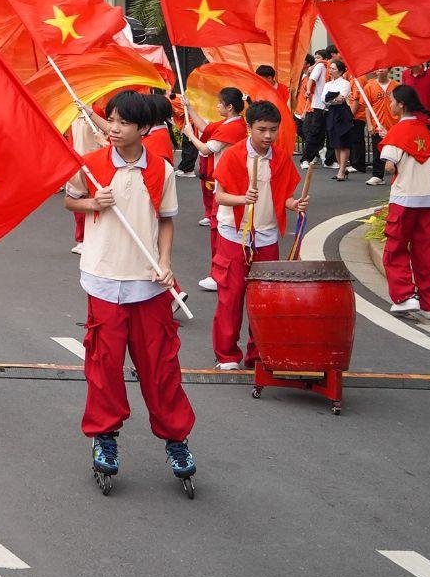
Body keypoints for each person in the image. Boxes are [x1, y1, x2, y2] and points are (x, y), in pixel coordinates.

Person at [63, 88, 195, 489]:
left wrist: (167, 262)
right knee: (104, 367)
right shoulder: (89, 165)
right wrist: (93, 204)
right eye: (112, 120)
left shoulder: (162, 170)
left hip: (148, 283)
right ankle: (104, 438)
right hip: (103, 279)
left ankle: (176, 440)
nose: (113, 129)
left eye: (123, 123)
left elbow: (167, 220)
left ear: (144, 128)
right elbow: (71, 202)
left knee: (161, 367)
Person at [208, 100, 307, 368]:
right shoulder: (232, 155)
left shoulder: (281, 157)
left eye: (273, 130)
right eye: (262, 129)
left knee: (264, 297)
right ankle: (227, 354)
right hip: (234, 234)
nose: (268, 136)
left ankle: (259, 353)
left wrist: (293, 204)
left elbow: (282, 196)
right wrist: (242, 198)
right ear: (249, 127)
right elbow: (219, 196)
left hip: (266, 235)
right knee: (231, 295)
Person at [379, 84, 430, 320]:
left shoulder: (397, 131)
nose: (391, 104)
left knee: (395, 250)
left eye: (393, 101)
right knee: (426, 253)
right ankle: (429, 305)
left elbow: (389, 166)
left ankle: (405, 296)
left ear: (401, 104)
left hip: (404, 199)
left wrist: (386, 142)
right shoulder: (425, 130)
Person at [194, 88, 247, 281]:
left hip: (226, 181)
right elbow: (205, 128)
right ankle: (220, 272)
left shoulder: (231, 127)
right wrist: (189, 109)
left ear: (229, 106)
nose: (217, 105)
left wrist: (189, 136)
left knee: (220, 229)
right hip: (228, 180)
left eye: (219, 103)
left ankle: (219, 274)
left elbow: (207, 148)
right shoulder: (233, 123)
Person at [400, 59, 430, 177]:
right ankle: (415, 178)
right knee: (411, 151)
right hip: (411, 121)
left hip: (428, 121)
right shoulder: (405, 74)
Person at [322, 59, 364, 182]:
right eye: (330, 68)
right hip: (331, 113)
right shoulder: (327, 84)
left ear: (340, 71)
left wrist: (332, 98)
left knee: (343, 142)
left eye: (334, 68)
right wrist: (332, 98)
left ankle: (342, 170)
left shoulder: (345, 83)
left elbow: (341, 98)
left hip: (342, 113)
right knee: (335, 142)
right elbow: (323, 99)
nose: (331, 70)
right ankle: (341, 168)